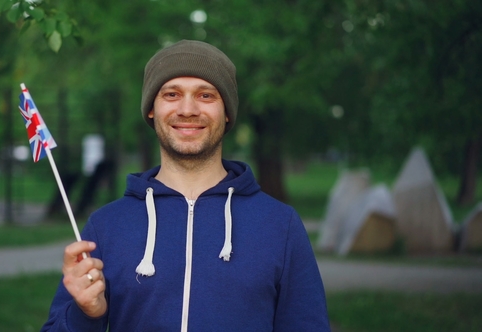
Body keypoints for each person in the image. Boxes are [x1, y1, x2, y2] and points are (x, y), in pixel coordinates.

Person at [41, 40, 330, 331]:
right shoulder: (105, 226)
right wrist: (85, 314)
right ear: (151, 109)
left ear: (227, 111)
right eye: (171, 94)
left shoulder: (280, 225)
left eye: (206, 95)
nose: (188, 109)